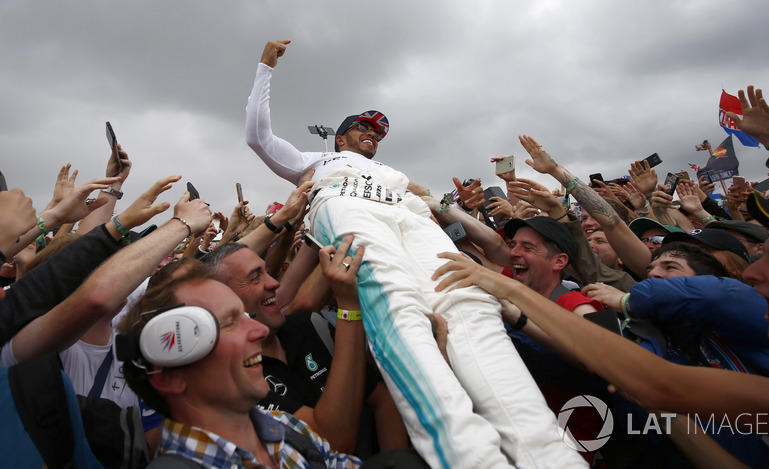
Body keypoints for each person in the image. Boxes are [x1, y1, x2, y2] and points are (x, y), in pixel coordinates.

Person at [245, 40, 584, 468]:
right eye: (363, 128)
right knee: (397, 303)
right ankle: (472, 458)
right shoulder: (317, 160)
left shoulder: (393, 172)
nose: (372, 135)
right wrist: (265, 68)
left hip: (406, 209)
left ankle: (551, 457)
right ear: (342, 136)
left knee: (466, 300)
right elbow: (259, 137)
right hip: (346, 200)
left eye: (378, 132)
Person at [434, 192, 769, 467]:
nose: (652, 275)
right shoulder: (653, 339)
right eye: (651, 268)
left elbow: (652, 377)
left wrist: (627, 301)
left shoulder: (740, 316)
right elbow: (618, 367)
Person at [117, 264, 362, 468]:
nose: (261, 330)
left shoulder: (282, 426)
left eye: (246, 316)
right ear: (168, 377)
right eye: (228, 323)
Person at [203, 238, 408, 456]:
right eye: (255, 278)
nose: (274, 283)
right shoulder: (236, 380)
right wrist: (349, 307)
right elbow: (333, 442)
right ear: (223, 299)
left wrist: (396, 462)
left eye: (267, 272)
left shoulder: (309, 326)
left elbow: (383, 399)